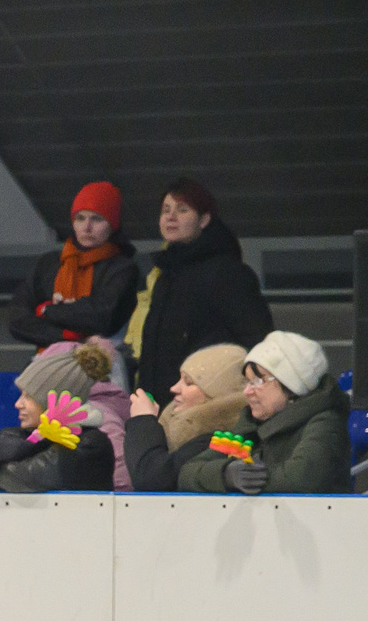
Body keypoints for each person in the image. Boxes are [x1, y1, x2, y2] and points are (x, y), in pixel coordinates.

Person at [125, 179, 273, 403]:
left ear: (204, 219)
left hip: (208, 406)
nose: (170, 217)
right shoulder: (165, 275)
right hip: (162, 408)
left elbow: (257, 341)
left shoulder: (228, 273)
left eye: (182, 210)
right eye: (166, 211)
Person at [173, 332, 351, 496]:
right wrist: (226, 474)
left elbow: (302, 478)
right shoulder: (249, 425)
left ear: (290, 385)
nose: (247, 392)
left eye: (258, 381)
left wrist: (251, 477)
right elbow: (188, 472)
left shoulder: (325, 422)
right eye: (247, 382)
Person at [0, 342, 118, 493]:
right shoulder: (24, 434)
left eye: (29, 396)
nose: (18, 404)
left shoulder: (91, 444)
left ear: (54, 400)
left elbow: (17, 480)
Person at [9, 180, 138, 351]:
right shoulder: (49, 264)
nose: (87, 227)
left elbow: (101, 316)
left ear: (112, 225)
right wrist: (66, 336)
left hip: (102, 365)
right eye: (80, 218)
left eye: (97, 219)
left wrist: (46, 310)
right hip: (49, 363)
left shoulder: (122, 268)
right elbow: (17, 320)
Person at [121, 342, 247, 493]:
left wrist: (143, 421)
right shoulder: (177, 431)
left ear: (217, 393)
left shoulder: (216, 442)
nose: (174, 388)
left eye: (188, 383)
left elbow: (152, 479)